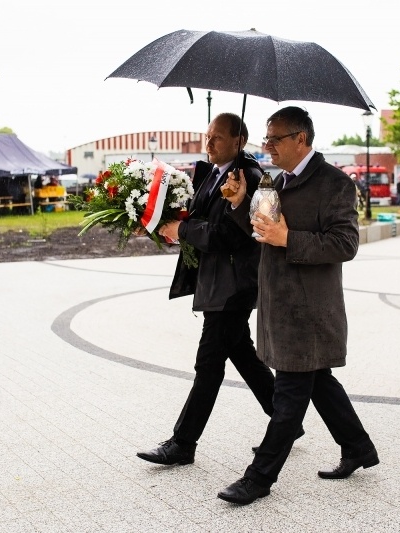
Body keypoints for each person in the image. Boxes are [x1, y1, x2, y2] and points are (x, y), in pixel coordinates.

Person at [216, 106, 377, 505]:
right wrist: (240, 203)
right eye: (267, 138)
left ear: (301, 139)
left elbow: (346, 244)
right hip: (277, 303)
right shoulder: (275, 181)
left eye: (275, 138)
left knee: (288, 399)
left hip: (309, 312)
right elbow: (261, 232)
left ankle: (259, 478)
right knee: (318, 381)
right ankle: (358, 447)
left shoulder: (334, 184)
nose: (267, 145)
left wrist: (290, 238)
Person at [136, 113, 289, 466]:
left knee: (208, 364)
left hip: (235, 286)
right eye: (207, 136)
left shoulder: (253, 179)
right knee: (244, 356)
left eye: (217, 138)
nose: (209, 144)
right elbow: (197, 222)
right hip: (217, 282)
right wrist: (172, 228)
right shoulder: (212, 174)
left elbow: (228, 235)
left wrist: (184, 230)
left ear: (238, 142)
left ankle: (182, 443)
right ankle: (286, 421)